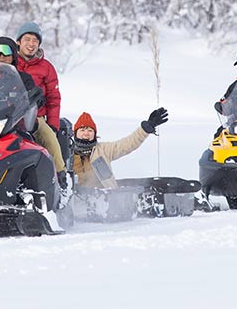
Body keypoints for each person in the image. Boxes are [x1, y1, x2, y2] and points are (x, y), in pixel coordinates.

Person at [14, 21, 67, 177]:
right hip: (8, 117)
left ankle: (61, 175)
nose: (31, 44)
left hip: (35, 117)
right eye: (27, 39)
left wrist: (53, 125)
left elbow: (53, 98)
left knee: (49, 139)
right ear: (19, 42)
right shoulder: (9, 63)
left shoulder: (46, 67)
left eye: (35, 40)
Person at [69, 109, 169, 188]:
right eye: (82, 130)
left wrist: (145, 130)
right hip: (76, 201)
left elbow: (127, 144)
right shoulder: (67, 153)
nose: (86, 133)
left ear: (94, 134)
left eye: (90, 130)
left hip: (105, 199)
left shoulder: (103, 150)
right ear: (75, 133)